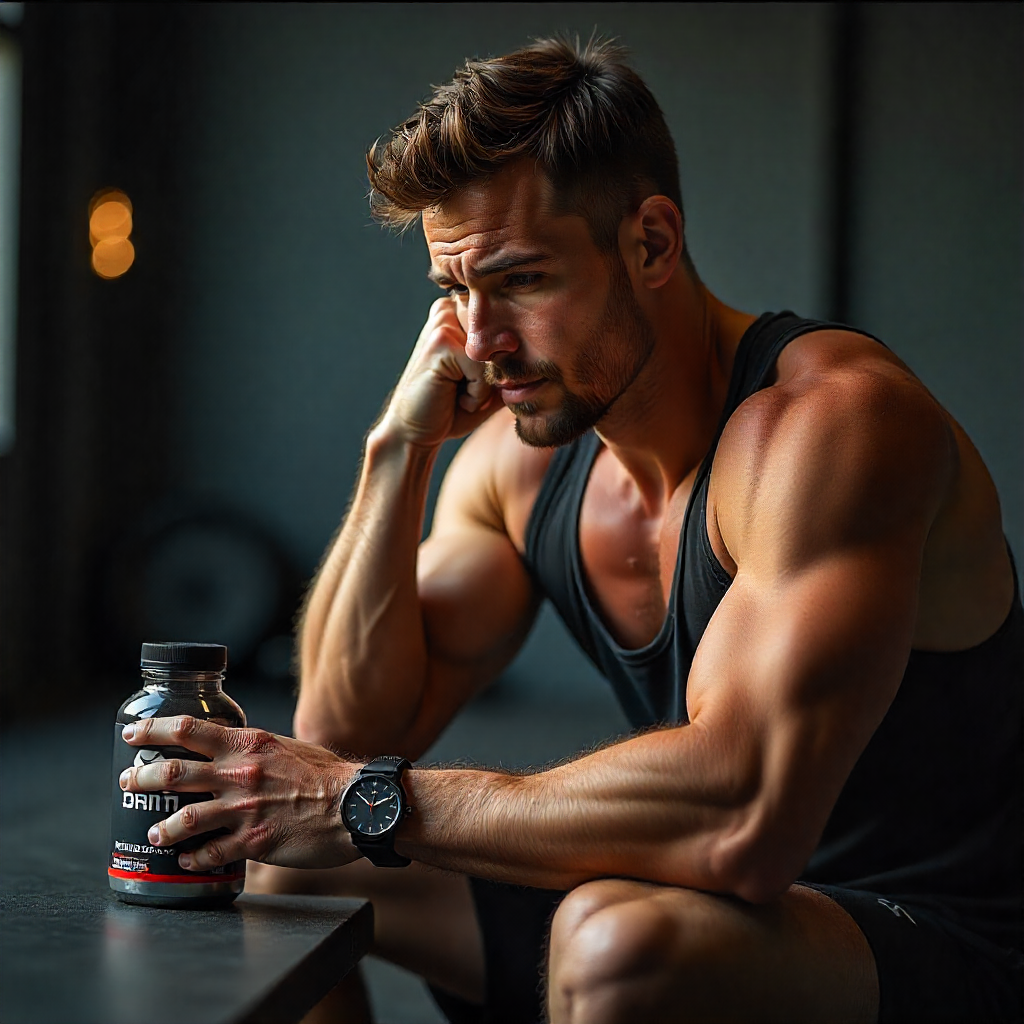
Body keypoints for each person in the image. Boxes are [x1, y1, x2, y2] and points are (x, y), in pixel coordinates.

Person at [118, 37, 1022, 1024]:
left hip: (937, 934)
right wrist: (397, 452)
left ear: (650, 242)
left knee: (616, 941)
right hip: (713, 900)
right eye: (452, 290)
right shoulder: (520, 461)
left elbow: (743, 820)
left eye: (521, 281)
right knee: (289, 877)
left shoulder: (832, 427)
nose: (480, 340)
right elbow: (346, 734)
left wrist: (355, 800)